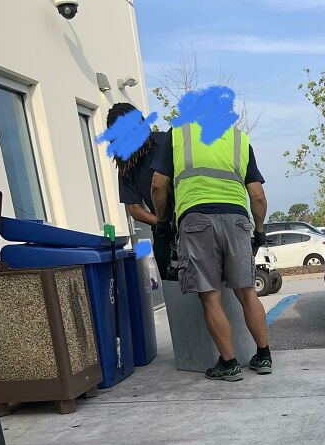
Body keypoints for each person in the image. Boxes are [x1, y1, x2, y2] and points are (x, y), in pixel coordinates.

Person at [150, 121, 272, 381]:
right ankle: (263, 355)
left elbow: (158, 184)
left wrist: (162, 221)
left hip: (196, 219)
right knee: (247, 291)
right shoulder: (238, 140)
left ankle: (228, 364)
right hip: (238, 219)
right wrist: (259, 231)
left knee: (210, 295)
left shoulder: (178, 135)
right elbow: (258, 195)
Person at [105, 103, 174, 278]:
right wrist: (162, 223)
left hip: (194, 222)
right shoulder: (127, 165)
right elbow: (135, 209)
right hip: (165, 234)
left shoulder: (167, 142)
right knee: (175, 289)